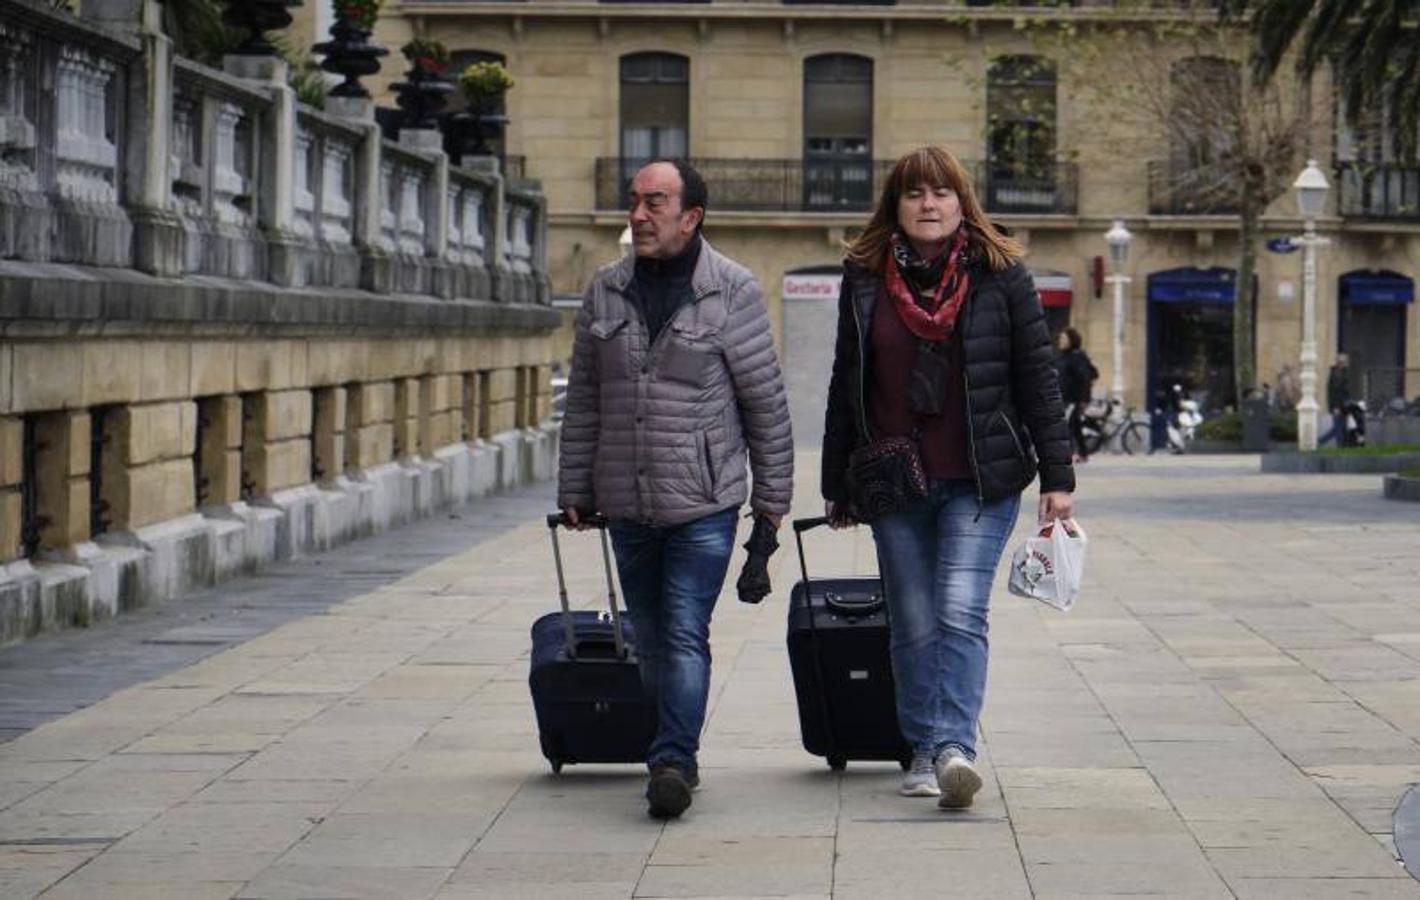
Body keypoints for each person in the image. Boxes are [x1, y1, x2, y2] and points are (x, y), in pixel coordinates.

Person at [820, 146, 1075, 809]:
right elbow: (846, 382)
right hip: (893, 480)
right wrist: (835, 482)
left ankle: (955, 747)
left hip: (980, 478)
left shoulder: (1002, 277)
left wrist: (1058, 475)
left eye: (941, 193)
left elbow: (1039, 381)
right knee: (911, 622)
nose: (928, 204)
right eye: (914, 194)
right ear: (895, 207)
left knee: (959, 611)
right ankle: (921, 748)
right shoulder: (864, 277)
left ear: (963, 203)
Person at [557, 159, 793, 820]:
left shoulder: (733, 291)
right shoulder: (604, 290)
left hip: (704, 500)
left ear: (692, 216)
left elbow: (765, 407)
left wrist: (769, 512)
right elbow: (584, 400)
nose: (639, 214)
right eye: (634, 201)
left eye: (655, 202)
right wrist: (574, 484)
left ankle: (672, 762)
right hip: (626, 500)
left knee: (685, 632)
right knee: (653, 638)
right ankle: (670, 747)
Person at [1054, 327, 1098, 462]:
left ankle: (1070, 453)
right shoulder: (1060, 356)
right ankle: (1083, 454)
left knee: (1067, 425)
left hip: (1072, 398)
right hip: (1063, 396)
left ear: (1071, 341)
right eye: (1060, 339)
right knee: (1075, 425)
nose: (1060, 341)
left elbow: (1086, 376)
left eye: (1063, 339)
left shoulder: (1077, 356)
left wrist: (1084, 398)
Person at [1319, 353, 1352, 447]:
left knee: (1341, 428)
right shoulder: (1336, 374)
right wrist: (1336, 407)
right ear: (1341, 363)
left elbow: (1346, 391)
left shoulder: (1344, 372)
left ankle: (1321, 442)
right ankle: (1339, 448)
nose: (1347, 363)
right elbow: (1334, 393)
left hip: (1344, 405)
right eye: (1346, 361)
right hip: (1338, 406)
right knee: (1339, 429)